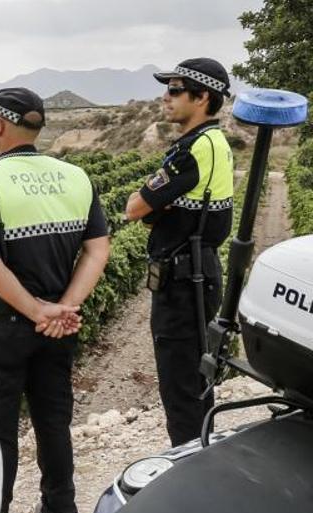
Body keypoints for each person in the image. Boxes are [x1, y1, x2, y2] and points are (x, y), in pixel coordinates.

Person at [0, 87, 111, 513]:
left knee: (0, 431)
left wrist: (36, 310)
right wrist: (64, 308)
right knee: (53, 423)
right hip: (58, 328)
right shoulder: (75, 177)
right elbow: (97, 249)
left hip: (6, 327)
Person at [124, 58, 234, 447]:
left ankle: (190, 466)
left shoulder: (190, 151)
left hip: (183, 282)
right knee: (195, 378)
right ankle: (201, 454)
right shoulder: (215, 142)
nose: (165, 97)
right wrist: (157, 208)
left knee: (180, 383)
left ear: (202, 97)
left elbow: (134, 207)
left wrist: (152, 206)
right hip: (199, 273)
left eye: (174, 90)